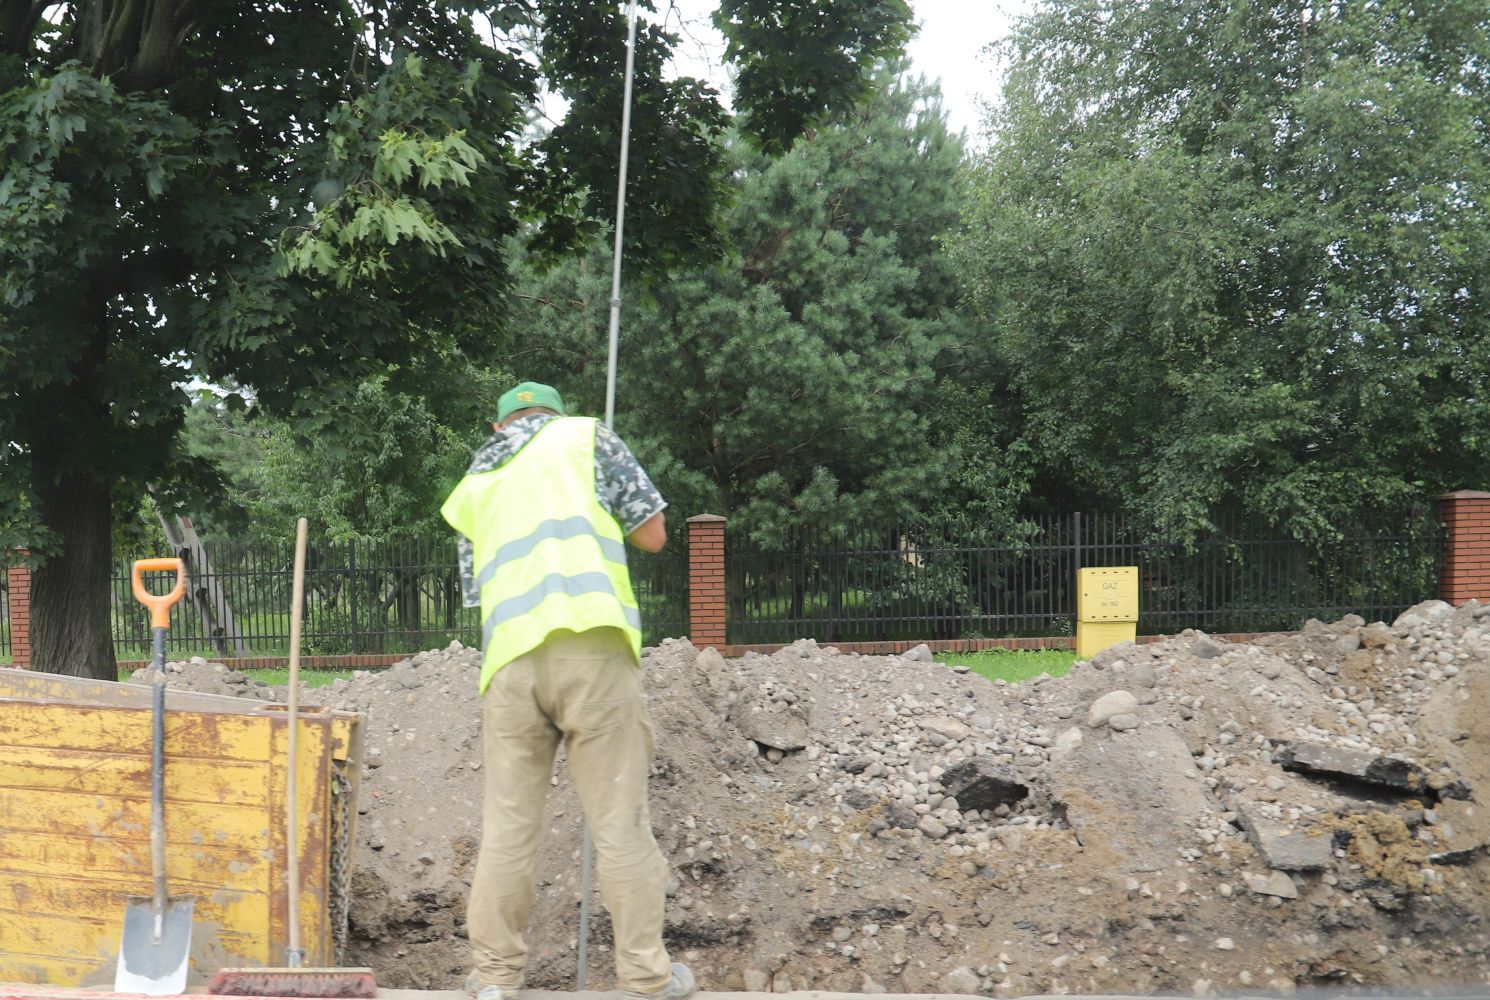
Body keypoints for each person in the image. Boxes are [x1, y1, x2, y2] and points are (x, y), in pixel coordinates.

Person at [441, 381, 693, 1000]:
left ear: (501, 427)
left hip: (510, 662)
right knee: (620, 823)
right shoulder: (586, 438)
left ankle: (496, 977)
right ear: (552, 415)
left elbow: (477, 590)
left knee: (506, 827)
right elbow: (653, 535)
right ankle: (644, 977)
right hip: (592, 648)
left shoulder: (474, 482)